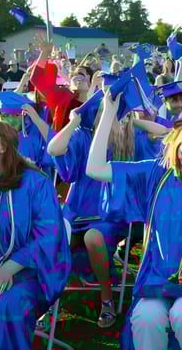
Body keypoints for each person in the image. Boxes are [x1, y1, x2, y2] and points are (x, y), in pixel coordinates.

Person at [86, 92, 182, 350]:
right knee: (146, 318)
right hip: (159, 274)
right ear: (175, 145)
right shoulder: (156, 173)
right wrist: (109, 111)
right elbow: (95, 169)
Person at [0, 120, 70, 349]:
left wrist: (12, 266)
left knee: (10, 306)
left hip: (21, 277)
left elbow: (49, 235)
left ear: (3, 146)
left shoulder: (35, 185)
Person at [47, 91, 132, 328]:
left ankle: (106, 297)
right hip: (76, 210)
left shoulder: (128, 139)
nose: (106, 118)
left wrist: (136, 121)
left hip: (110, 215)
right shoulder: (83, 136)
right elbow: (54, 149)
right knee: (52, 237)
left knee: (93, 237)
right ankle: (48, 301)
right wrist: (73, 121)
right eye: (101, 113)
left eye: (110, 113)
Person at [0, 92, 54, 172]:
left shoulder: (36, 133)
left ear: (24, 115)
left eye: (15, 115)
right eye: (2, 115)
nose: (7, 121)